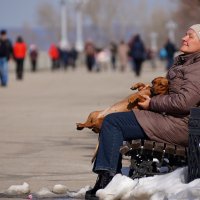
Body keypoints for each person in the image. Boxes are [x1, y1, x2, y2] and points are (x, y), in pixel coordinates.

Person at [85, 24, 200, 200]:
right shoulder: (186, 62)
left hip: (181, 126)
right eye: (185, 34)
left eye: (191, 36)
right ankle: (105, 178)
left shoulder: (197, 68)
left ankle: (107, 181)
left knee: (113, 122)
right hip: (169, 119)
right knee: (111, 120)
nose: (184, 38)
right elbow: (171, 93)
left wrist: (151, 103)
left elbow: (184, 102)